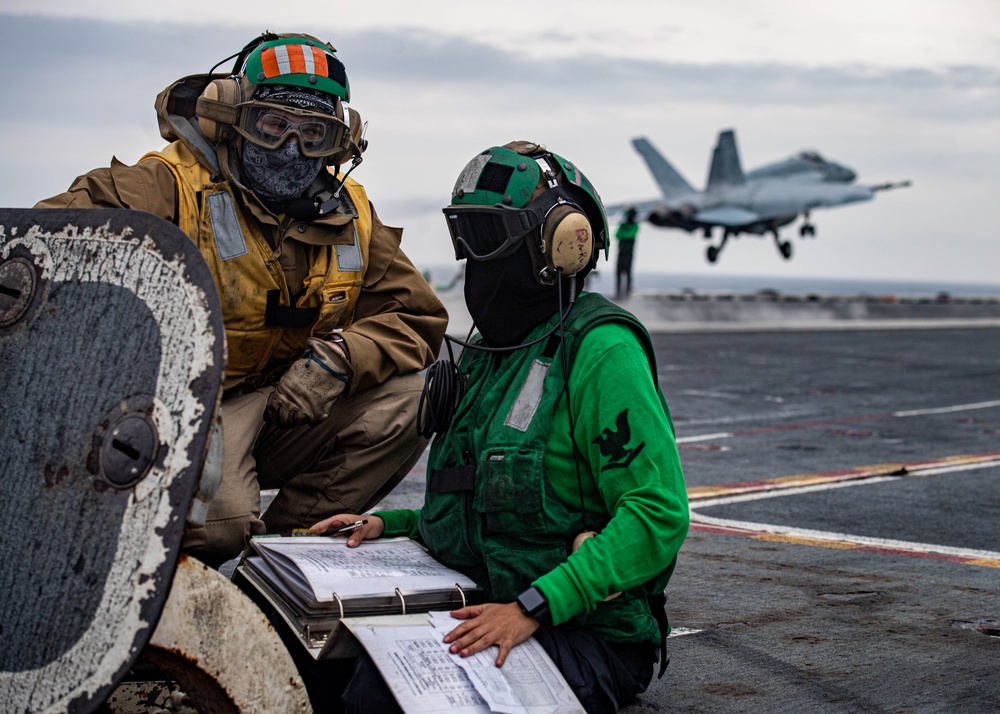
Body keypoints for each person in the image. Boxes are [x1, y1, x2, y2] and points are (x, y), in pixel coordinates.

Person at [36, 32, 448, 567]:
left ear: (339, 141)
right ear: (233, 117)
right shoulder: (165, 187)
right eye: (274, 126)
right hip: (175, 403)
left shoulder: (354, 220)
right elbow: (43, 247)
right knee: (219, 523)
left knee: (411, 399)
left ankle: (281, 560)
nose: (292, 148)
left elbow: (416, 316)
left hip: (289, 400)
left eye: (313, 133)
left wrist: (344, 359)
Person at [311, 142, 689, 714]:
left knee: (391, 700)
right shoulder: (492, 353)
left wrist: (533, 607)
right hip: (490, 608)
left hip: (587, 634)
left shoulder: (601, 350)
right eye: (467, 239)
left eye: (489, 239)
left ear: (561, 244)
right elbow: (486, 514)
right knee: (328, 669)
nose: (475, 261)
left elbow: (657, 513)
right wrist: (389, 525)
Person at [615, 206, 639, 299]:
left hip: (628, 253)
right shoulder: (623, 225)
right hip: (621, 253)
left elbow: (628, 235)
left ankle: (627, 294)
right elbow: (617, 235)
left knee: (627, 274)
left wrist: (624, 233)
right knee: (619, 274)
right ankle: (618, 294)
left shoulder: (634, 226)